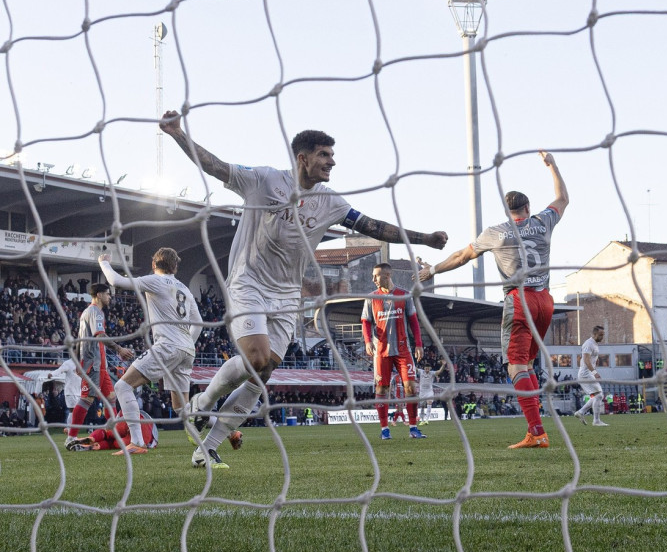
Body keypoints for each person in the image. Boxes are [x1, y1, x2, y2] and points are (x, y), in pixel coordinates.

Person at [159, 110, 447, 469]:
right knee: (257, 359)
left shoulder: (330, 201)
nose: (332, 162)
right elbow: (216, 166)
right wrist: (177, 134)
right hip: (248, 282)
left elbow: (373, 225)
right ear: (303, 157)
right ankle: (201, 405)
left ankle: (208, 447)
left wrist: (422, 238)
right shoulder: (264, 180)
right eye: (325, 155)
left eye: (331, 155)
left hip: (286, 296)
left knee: (262, 374)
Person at [419, 151, 568, 449]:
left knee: (515, 367)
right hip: (545, 300)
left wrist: (431, 270)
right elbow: (563, 198)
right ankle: (536, 429)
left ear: (507, 211)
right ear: (527, 207)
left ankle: (537, 432)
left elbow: (462, 256)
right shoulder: (544, 221)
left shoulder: (496, 233)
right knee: (525, 363)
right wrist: (552, 165)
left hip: (519, 299)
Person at [97, 248, 205, 455]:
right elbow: (198, 323)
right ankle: (228, 431)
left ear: (154, 264)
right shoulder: (185, 289)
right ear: (175, 266)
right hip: (186, 350)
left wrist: (104, 262)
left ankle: (137, 442)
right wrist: (186, 343)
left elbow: (116, 281)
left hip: (167, 346)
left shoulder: (155, 280)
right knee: (181, 408)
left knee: (123, 386)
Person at [65, 283, 135, 449]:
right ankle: (71, 437)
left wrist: (76, 360)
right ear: (98, 295)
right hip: (93, 363)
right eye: (107, 294)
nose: (110, 297)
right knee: (87, 399)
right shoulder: (95, 312)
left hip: (100, 365)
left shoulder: (89, 313)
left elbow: (79, 339)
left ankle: (111, 432)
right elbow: (100, 335)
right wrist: (119, 349)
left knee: (111, 397)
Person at [362, 262, 425, 439]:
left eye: (376, 276)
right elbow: (366, 322)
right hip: (381, 351)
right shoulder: (371, 297)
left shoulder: (404, 295)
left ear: (387, 276)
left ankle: (413, 428)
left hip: (403, 349)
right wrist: (367, 341)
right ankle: (384, 430)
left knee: (410, 387)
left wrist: (418, 344)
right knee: (382, 389)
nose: (373, 279)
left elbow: (413, 321)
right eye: (373, 276)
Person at [573, 325, 608, 426]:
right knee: (599, 395)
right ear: (594, 334)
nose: (602, 337)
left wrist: (596, 363)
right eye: (600, 335)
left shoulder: (595, 344)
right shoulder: (588, 344)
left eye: (603, 335)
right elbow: (586, 360)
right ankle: (596, 421)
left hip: (587, 373)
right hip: (585, 374)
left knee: (596, 396)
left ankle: (580, 412)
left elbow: (593, 358)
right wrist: (594, 372)